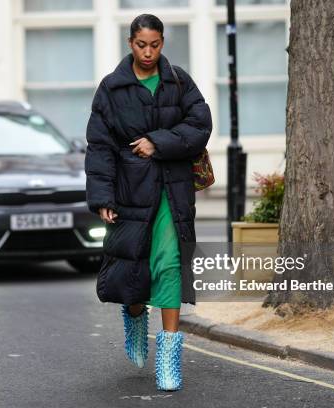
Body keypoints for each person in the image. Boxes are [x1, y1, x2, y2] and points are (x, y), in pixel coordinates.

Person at [84, 14, 212, 391]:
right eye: (142, 45)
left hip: (173, 191)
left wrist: (159, 141)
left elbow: (200, 125)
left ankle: (169, 359)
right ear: (130, 43)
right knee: (134, 271)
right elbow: (100, 147)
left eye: (155, 45)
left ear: (162, 43)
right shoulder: (111, 88)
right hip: (129, 192)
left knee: (170, 266)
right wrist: (102, 197)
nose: (148, 52)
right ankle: (135, 315)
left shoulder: (178, 80)